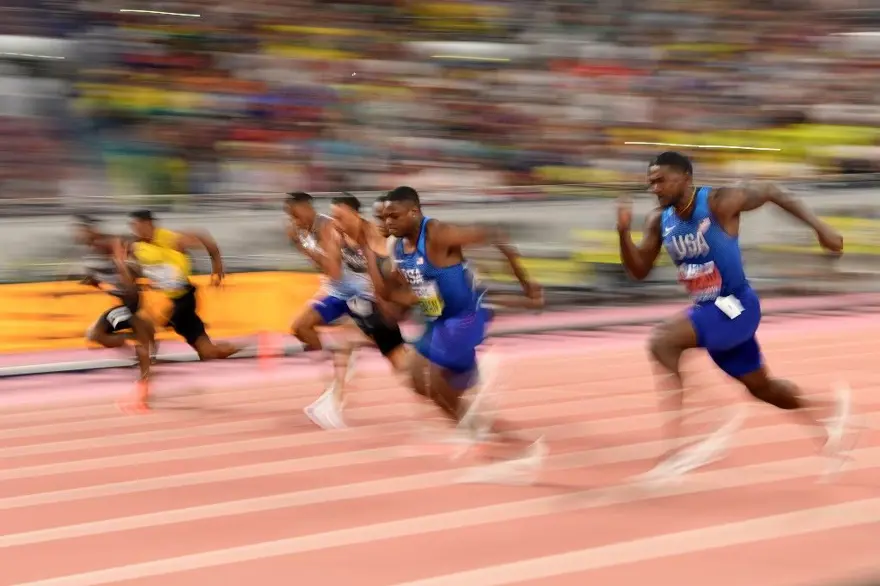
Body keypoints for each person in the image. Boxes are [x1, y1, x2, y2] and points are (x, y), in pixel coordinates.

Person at [616, 151, 851, 482]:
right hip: (710, 313)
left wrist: (820, 228)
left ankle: (688, 442)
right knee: (762, 388)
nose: (653, 188)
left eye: (660, 180)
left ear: (685, 178)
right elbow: (638, 270)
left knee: (662, 341)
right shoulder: (659, 220)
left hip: (736, 305)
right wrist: (623, 233)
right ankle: (827, 415)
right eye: (650, 182)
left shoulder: (717, 202)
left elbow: (770, 190)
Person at [377, 186, 545, 473]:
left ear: (414, 212)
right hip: (438, 322)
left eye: (394, 215)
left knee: (421, 369)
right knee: (422, 384)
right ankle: (505, 446)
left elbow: (494, 234)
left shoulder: (438, 234)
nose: (388, 222)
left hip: (468, 316)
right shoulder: (397, 250)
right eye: (384, 217)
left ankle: (504, 448)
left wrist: (525, 283)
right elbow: (407, 293)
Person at [128, 210, 240, 408]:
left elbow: (203, 236)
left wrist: (217, 267)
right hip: (171, 302)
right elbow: (136, 270)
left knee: (146, 329)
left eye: (138, 226)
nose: (135, 231)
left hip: (183, 298)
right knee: (208, 353)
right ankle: (246, 345)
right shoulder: (138, 247)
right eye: (133, 227)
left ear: (148, 224)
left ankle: (144, 383)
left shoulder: (169, 238)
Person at [73, 215, 156, 412]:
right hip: (126, 303)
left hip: (130, 302)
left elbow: (129, 281)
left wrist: (122, 262)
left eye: (82, 230)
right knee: (97, 336)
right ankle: (143, 382)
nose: (78, 235)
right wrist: (95, 282)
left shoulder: (112, 244)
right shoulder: (91, 254)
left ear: (92, 229)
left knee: (95, 335)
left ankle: (140, 355)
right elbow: (109, 283)